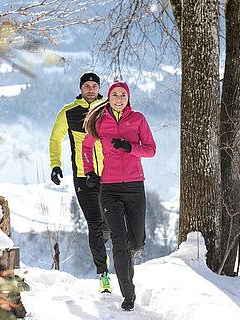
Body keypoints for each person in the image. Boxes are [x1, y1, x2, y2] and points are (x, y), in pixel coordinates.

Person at [82, 81, 156, 311]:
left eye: (123, 95)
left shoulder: (138, 119)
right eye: (115, 94)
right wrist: (90, 173)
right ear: (109, 97)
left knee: (135, 241)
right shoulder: (99, 120)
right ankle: (128, 293)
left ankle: (129, 258)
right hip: (110, 188)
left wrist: (129, 147)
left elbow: (151, 149)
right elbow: (86, 148)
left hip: (135, 186)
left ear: (128, 98)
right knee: (119, 242)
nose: (119, 98)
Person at [49, 72, 111, 292]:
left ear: (99, 88)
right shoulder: (69, 112)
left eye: (94, 86)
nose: (91, 89)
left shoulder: (109, 109)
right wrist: (56, 165)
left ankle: (105, 240)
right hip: (84, 178)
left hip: (110, 176)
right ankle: (103, 275)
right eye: (87, 86)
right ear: (81, 88)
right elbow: (55, 139)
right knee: (94, 224)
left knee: (109, 225)